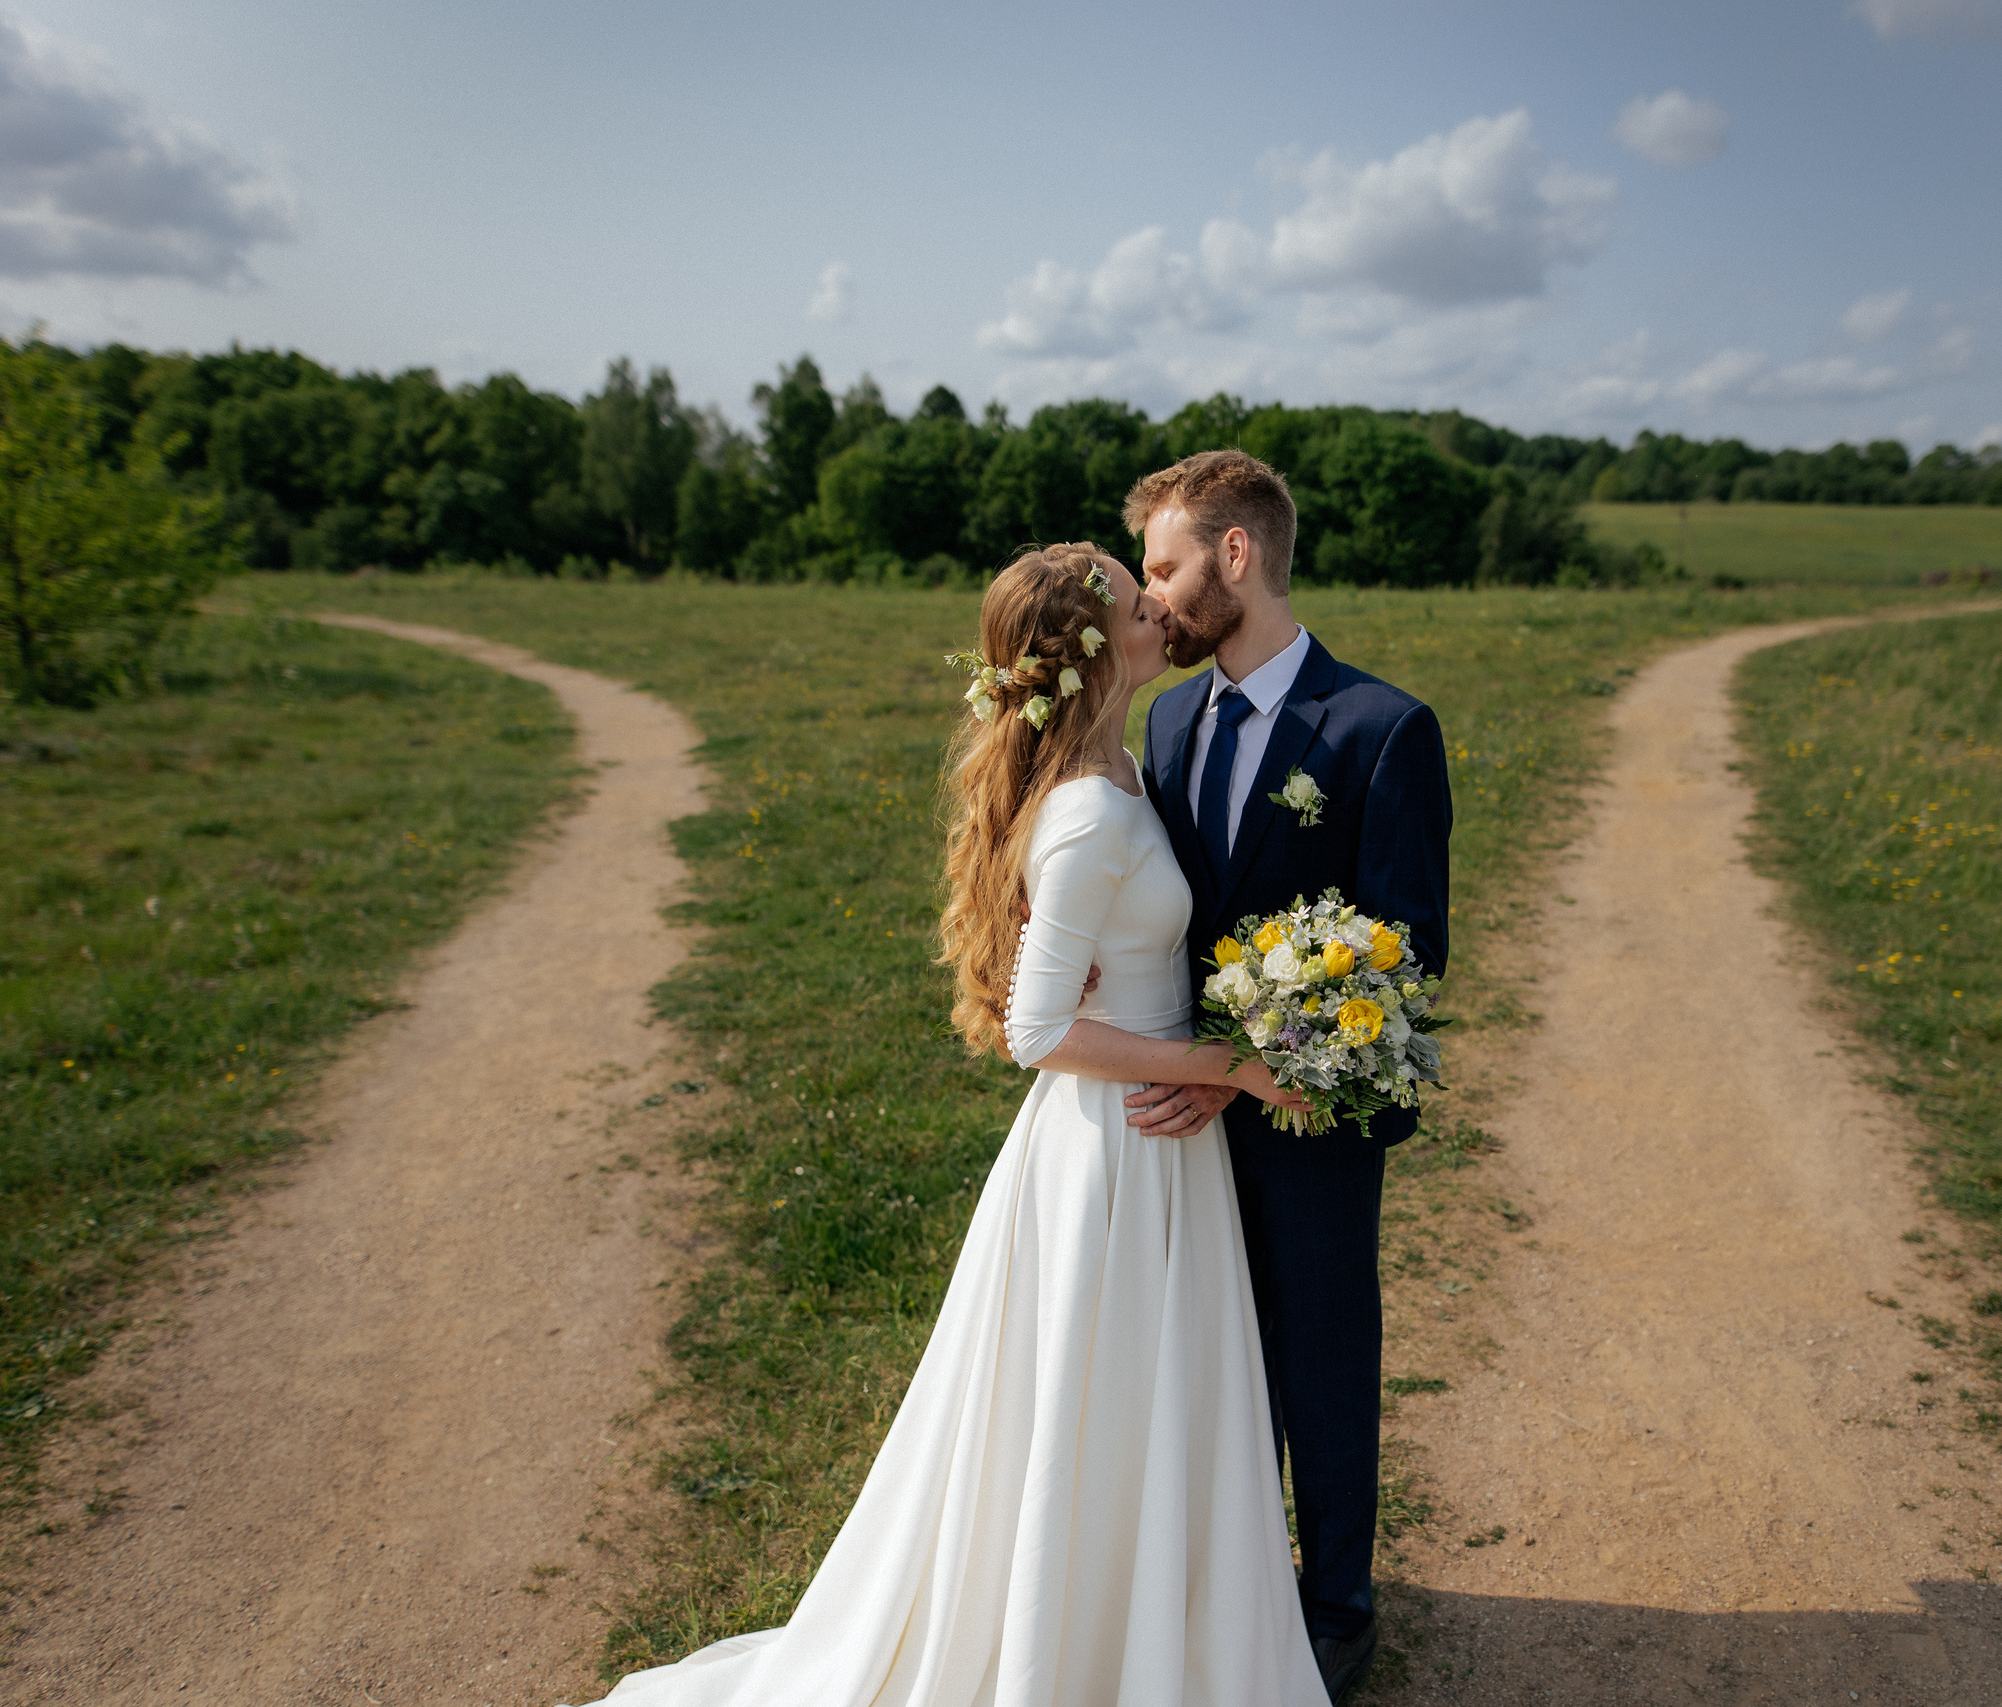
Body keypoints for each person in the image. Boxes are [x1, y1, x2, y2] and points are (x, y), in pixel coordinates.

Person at [577, 544, 1330, 1707]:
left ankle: (1142, 1625)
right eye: (1140, 605)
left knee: (1142, 1404)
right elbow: (1036, 1030)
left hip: (1155, 1145)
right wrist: (1220, 1062)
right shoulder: (1084, 813)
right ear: (1094, 653)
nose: (1162, 611)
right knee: (1096, 1402)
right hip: (1113, 1153)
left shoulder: (1122, 767)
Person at [1118, 451, 1453, 1704]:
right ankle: (1233, 1577)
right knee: (1207, 1353)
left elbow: (1406, 952)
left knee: (1320, 1352)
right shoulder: (1165, 717)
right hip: (1178, 1116)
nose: (1152, 599)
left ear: (1236, 555)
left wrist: (1257, 1068)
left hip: (1313, 1113)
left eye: (1165, 567)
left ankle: (1335, 1605)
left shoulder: (1381, 730)